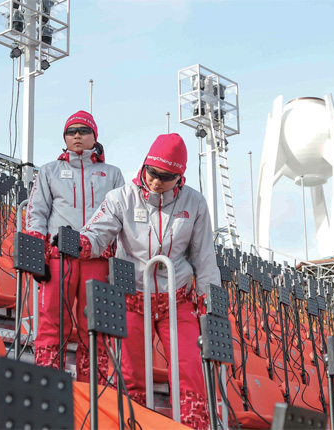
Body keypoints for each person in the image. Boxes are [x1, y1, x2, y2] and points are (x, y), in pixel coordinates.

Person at [79, 133, 220, 429]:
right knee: (131, 373)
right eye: (152, 172)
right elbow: (97, 231)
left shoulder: (194, 203)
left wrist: (210, 303)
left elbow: (205, 256)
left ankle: (191, 425)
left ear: (180, 177)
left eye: (166, 176)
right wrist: (80, 243)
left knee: (190, 368)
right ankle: (134, 424)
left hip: (176, 297)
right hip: (133, 295)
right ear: (144, 165)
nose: (156, 181)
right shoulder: (121, 197)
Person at [26, 110, 125, 384]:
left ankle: (93, 394)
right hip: (60, 256)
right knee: (51, 324)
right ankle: (47, 386)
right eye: (71, 131)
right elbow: (36, 212)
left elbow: (122, 221)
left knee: (95, 327)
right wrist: (37, 256)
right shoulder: (49, 171)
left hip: (99, 258)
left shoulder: (113, 174)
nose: (77, 135)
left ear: (95, 136)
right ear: (65, 138)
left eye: (83, 130)